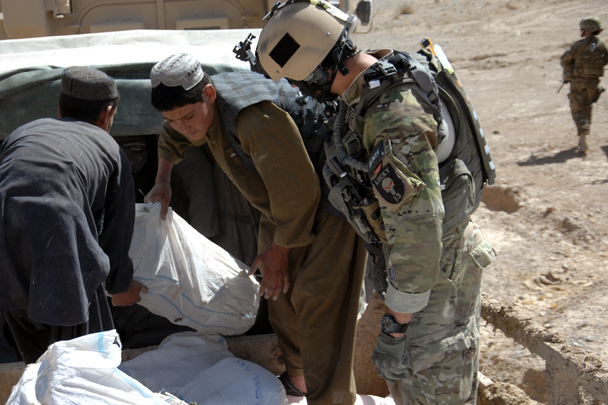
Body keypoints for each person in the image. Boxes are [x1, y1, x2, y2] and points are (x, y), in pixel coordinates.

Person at [255, 1, 496, 403]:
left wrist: (398, 321)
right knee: (410, 382)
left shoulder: (392, 114)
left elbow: (418, 224)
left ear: (317, 67)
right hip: (414, 269)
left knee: (435, 383)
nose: (299, 90)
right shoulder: (369, 88)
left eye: (298, 81)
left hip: (435, 269)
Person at [145, 53, 367, 405]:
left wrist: (281, 250)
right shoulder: (188, 115)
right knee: (278, 296)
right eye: (172, 120)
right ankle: (299, 379)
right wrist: (163, 180)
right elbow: (172, 136)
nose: (183, 126)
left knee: (319, 305)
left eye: (188, 117)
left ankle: (332, 399)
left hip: (329, 203)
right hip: (281, 208)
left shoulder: (251, 121)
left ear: (209, 94)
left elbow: (301, 192)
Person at [0, 66, 145, 364]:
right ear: (107, 113)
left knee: (39, 363)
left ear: (59, 108)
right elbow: (115, 237)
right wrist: (121, 287)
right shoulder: (110, 149)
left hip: (5, 250)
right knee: (84, 365)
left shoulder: (24, 132)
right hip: (61, 247)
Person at [561, 16, 608, 154]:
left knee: (578, 109)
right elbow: (605, 61)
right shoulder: (602, 45)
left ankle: (583, 138)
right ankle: (584, 134)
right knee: (587, 107)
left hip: (578, 82)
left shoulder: (579, 45)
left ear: (586, 30)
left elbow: (565, 60)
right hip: (594, 82)